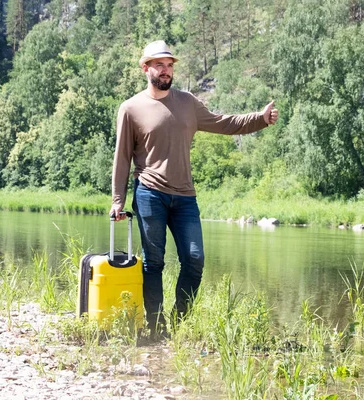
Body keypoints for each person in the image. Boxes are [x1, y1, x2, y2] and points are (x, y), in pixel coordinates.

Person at [109, 40, 279, 339]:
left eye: (170, 65)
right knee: (154, 262)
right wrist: (118, 200)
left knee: (195, 259)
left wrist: (260, 119)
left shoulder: (187, 102)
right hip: (149, 192)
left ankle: (176, 323)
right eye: (159, 65)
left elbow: (223, 123)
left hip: (185, 197)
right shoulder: (131, 108)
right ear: (146, 68)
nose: (166, 70)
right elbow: (122, 157)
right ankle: (154, 326)